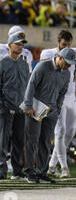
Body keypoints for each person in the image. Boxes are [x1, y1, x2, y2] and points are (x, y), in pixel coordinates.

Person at [21, 48, 75, 184]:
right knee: (32, 141)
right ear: (60, 57)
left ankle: (41, 172)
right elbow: (31, 85)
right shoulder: (42, 66)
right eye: (67, 63)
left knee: (45, 142)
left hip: (50, 111)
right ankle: (29, 171)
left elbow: (62, 93)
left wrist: (57, 109)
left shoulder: (66, 74)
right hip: (36, 108)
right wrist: (28, 105)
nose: (69, 66)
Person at [0, 33, 30, 180]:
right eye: (18, 44)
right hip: (6, 107)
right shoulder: (2, 64)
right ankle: (1, 169)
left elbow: (27, 86)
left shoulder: (24, 64)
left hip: (20, 107)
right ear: (9, 45)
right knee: (4, 138)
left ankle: (17, 169)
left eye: (22, 44)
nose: (20, 47)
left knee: (19, 139)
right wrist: (0, 104)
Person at [40, 31, 76, 178]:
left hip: (71, 97)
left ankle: (52, 164)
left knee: (70, 132)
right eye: (63, 45)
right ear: (58, 42)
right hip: (56, 97)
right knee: (60, 132)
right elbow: (43, 75)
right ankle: (64, 167)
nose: (66, 47)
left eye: (69, 44)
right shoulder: (47, 54)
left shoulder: (73, 53)